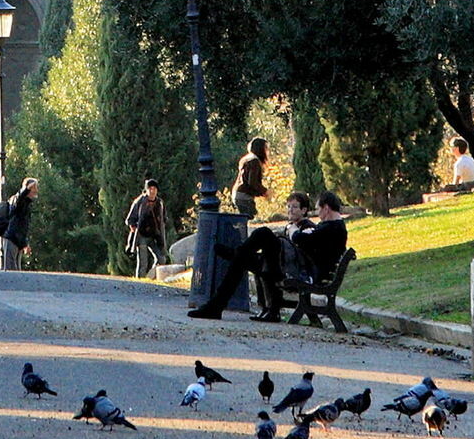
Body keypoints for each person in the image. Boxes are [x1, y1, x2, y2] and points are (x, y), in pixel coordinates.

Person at [189, 191, 349, 321]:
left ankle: (218, 300)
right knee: (244, 258)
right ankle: (216, 305)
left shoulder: (333, 228)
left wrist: (293, 231)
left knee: (262, 234)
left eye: (318, 209)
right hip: (296, 267)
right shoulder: (330, 227)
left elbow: (302, 240)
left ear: (326, 208)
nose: (318, 213)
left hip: (302, 273)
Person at [123, 179, 169, 279]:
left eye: (154, 189)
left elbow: (164, 218)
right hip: (142, 236)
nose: (152, 191)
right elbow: (130, 219)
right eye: (150, 188)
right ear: (146, 190)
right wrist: (133, 227)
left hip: (154, 236)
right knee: (143, 263)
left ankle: (150, 277)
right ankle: (140, 283)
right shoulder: (139, 202)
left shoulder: (160, 203)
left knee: (162, 259)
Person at [1, 177, 37, 270]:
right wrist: (26, 188)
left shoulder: (26, 204)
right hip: (11, 238)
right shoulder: (17, 200)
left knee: (16, 272)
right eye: (34, 188)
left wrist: (25, 243)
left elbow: (23, 227)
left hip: (17, 241)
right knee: (9, 270)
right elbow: (20, 197)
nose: (36, 190)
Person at [231, 137, 270, 220]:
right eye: (265, 148)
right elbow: (252, 182)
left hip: (238, 194)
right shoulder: (254, 161)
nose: (267, 151)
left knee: (245, 219)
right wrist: (265, 191)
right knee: (252, 219)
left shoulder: (247, 158)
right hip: (244, 196)